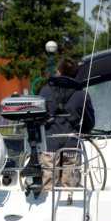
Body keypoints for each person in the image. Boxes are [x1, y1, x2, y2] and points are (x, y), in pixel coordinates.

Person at [38, 57, 95, 189]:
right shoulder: (82, 95)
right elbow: (90, 123)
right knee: (70, 189)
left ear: (58, 71)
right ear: (75, 74)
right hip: (72, 145)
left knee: (47, 188)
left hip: (49, 145)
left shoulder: (45, 91)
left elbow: (38, 118)